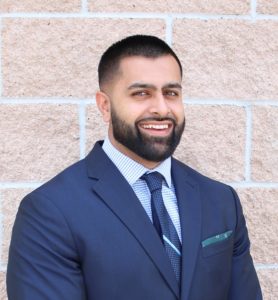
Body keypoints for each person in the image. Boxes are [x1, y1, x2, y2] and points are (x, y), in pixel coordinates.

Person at [7, 35, 262, 300]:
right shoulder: (49, 211)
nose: (162, 108)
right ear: (105, 106)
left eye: (171, 93)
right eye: (141, 93)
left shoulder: (221, 201)